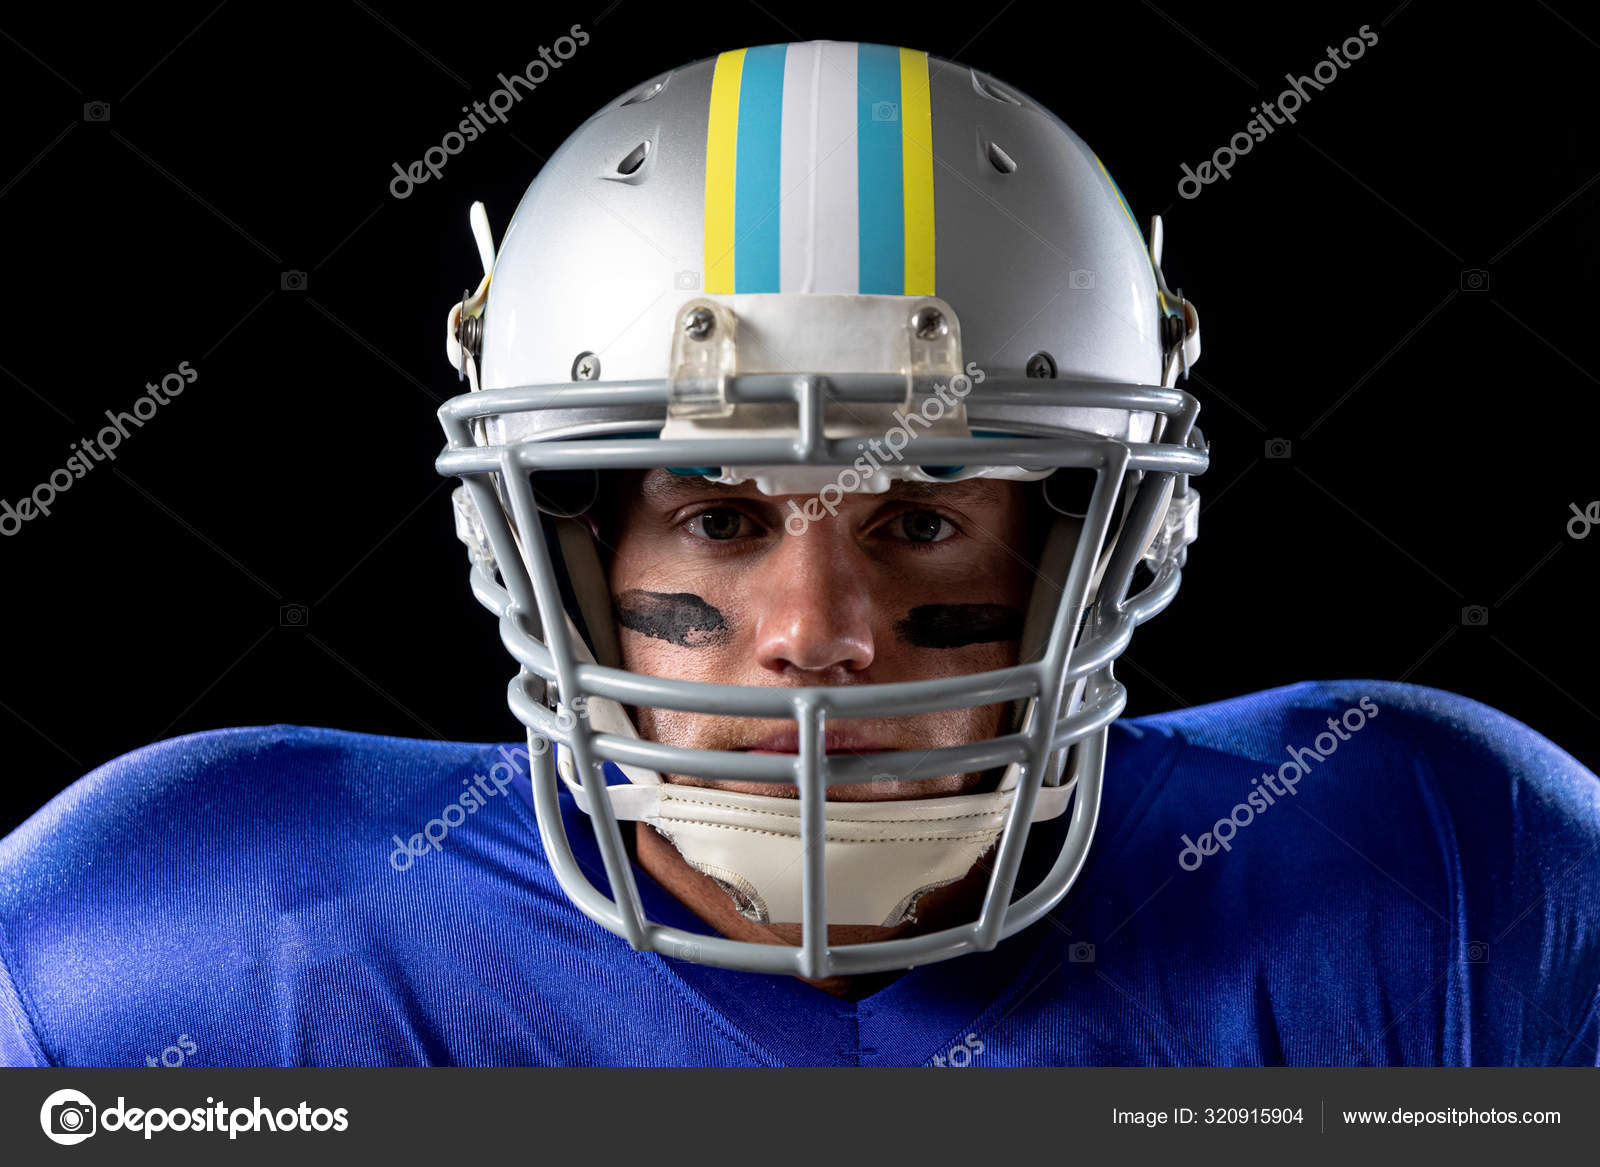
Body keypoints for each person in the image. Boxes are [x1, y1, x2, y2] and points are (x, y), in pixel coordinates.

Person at [1, 41, 1595, 1067]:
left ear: (1100, 547)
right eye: (721, 516)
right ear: (555, 545)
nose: (821, 636)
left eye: (919, 519)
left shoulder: (1440, 877)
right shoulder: (180, 937)